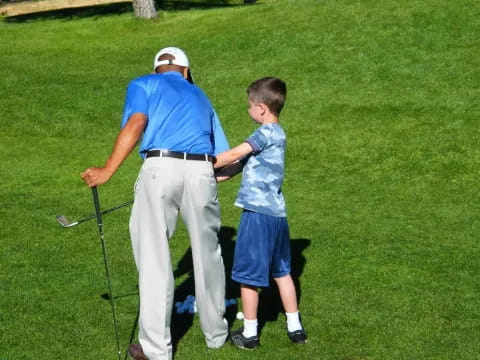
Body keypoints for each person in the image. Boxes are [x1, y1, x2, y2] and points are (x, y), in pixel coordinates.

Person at [81, 47, 229, 360]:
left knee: (154, 258)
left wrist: (107, 170)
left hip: (161, 168)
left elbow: (136, 124)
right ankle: (216, 336)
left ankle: (156, 350)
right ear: (186, 71)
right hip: (203, 171)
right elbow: (224, 163)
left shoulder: (143, 83)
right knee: (209, 254)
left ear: (157, 68)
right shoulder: (200, 94)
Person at [214, 77, 307, 350]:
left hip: (257, 215)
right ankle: (295, 328)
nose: (248, 110)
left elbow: (232, 156)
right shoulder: (278, 136)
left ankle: (250, 334)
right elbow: (234, 168)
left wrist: (202, 162)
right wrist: (208, 176)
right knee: (282, 272)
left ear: (262, 108)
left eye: (250, 105)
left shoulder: (264, 134)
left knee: (247, 276)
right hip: (277, 215)